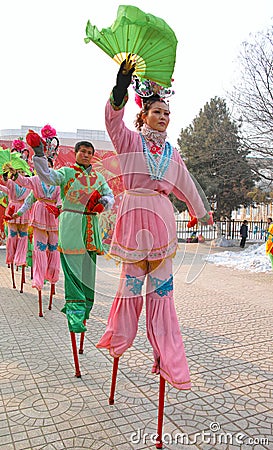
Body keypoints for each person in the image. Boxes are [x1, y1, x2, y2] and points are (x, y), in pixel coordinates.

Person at [96, 57, 213, 390]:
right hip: (134, 225)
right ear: (143, 114)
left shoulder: (172, 153)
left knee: (162, 298)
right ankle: (118, 340)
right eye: (157, 112)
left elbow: (186, 183)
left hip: (161, 224)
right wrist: (120, 85)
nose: (163, 118)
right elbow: (112, 120)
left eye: (167, 114)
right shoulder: (129, 141)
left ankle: (168, 358)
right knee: (130, 292)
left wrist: (200, 211)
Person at [29, 138, 114, 335]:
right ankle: (75, 315)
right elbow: (47, 176)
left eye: (89, 152)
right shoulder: (66, 173)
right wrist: (40, 155)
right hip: (72, 225)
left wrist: (104, 201)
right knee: (73, 273)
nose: (86, 155)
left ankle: (85, 311)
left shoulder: (98, 178)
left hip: (91, 228)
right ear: (76, 153)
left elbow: (109, 195)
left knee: (88, 274)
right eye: (82, 151)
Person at [10, 158, 61, 312]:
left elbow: (60, 198)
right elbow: (24, 185)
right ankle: (38, 279)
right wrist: (18, 213)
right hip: (39, 215)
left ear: (52, 168)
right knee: (39, 249)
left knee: (54, 248)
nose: (46, 169)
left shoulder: (58, 182)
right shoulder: (35, 180)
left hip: (53, 216)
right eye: (43, 166)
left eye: (49, 166)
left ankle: (52, 275)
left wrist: (59, 208)